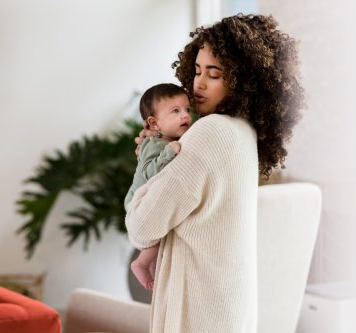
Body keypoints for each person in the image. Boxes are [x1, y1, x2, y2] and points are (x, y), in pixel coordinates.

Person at [126, 13, 304, 332]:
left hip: (198, 315)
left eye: (214, 74)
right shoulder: (243, 132)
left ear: (242, 80)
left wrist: (145, 167)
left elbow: (141, 227)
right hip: (227, 312)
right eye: (196, 71)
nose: (199, 84)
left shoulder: (210, 132)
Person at [124, 83, 193, 290]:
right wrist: (168, 153)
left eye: (187, 110)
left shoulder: (169, 137)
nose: (185, 116)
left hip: (149, 196)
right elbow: (148, 173)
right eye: (175, 111)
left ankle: (153, 271)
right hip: (138, 198)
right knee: (157, 235)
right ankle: (140, 263)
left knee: (162, 240)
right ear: (154, 123)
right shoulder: (155, 144)